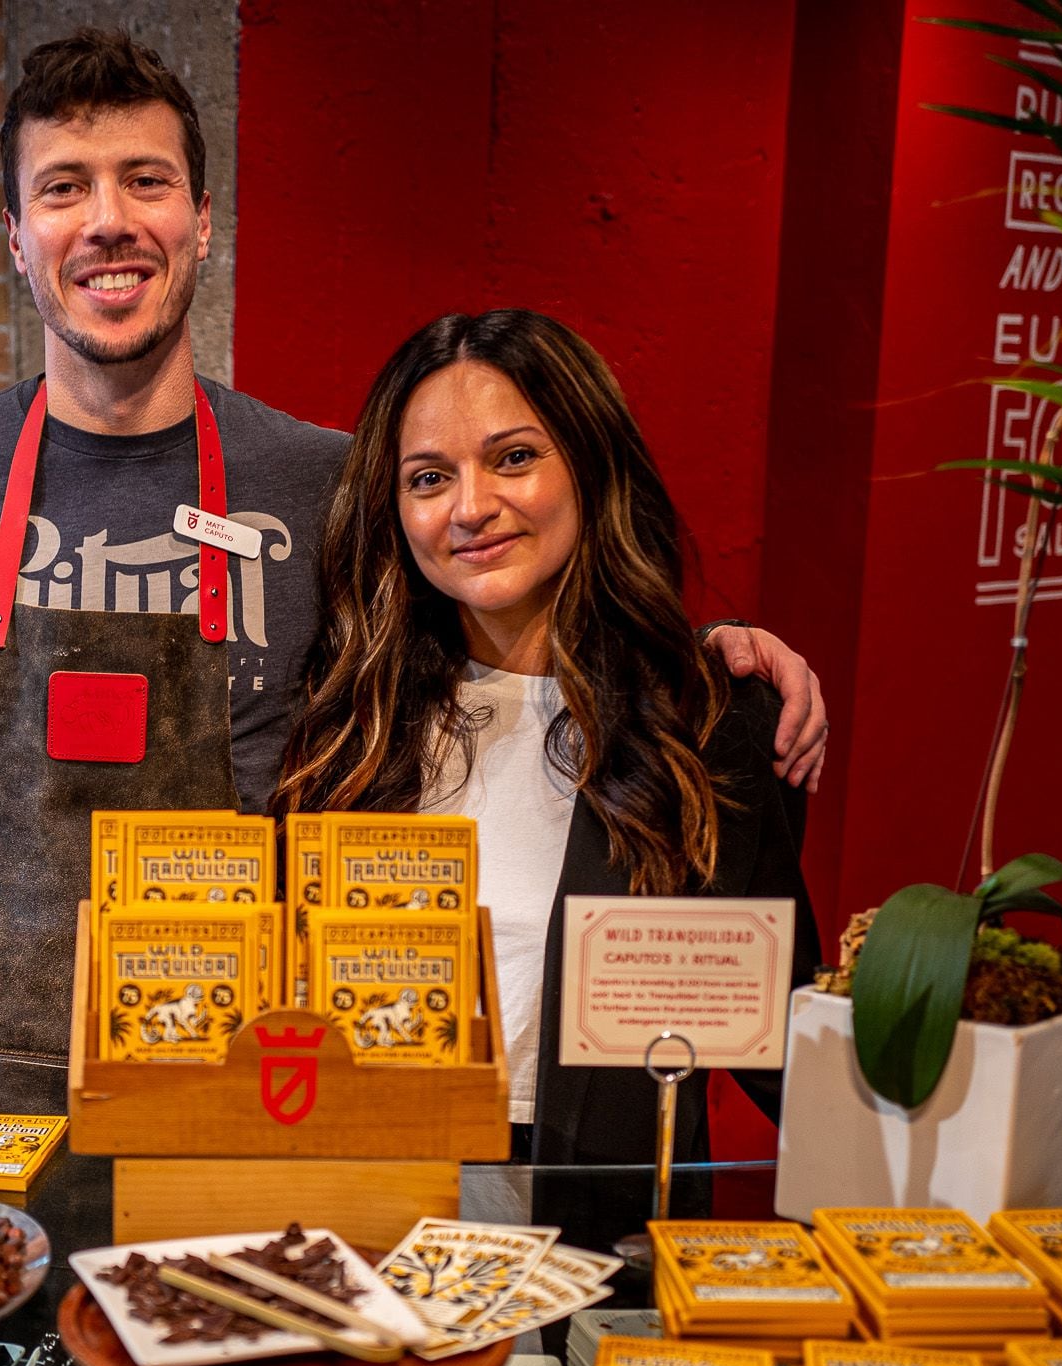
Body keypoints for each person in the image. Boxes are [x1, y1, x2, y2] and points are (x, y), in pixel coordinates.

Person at [0, 31, 827, 1110]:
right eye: (64, 188)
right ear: (17, 239)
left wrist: (703, 661)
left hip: (229, 1063)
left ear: (201, 220)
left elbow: (495, 606)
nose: (108, 219)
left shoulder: (329, 483)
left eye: (145, 182)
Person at [271, 308, 819, 1168]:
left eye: (514, 457)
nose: (472, 507)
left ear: (591, 463)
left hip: (603, 1246)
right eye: (427, 478)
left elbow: (779, 1020)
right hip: (369, 1215)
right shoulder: (347, 719)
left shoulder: (710, 722)